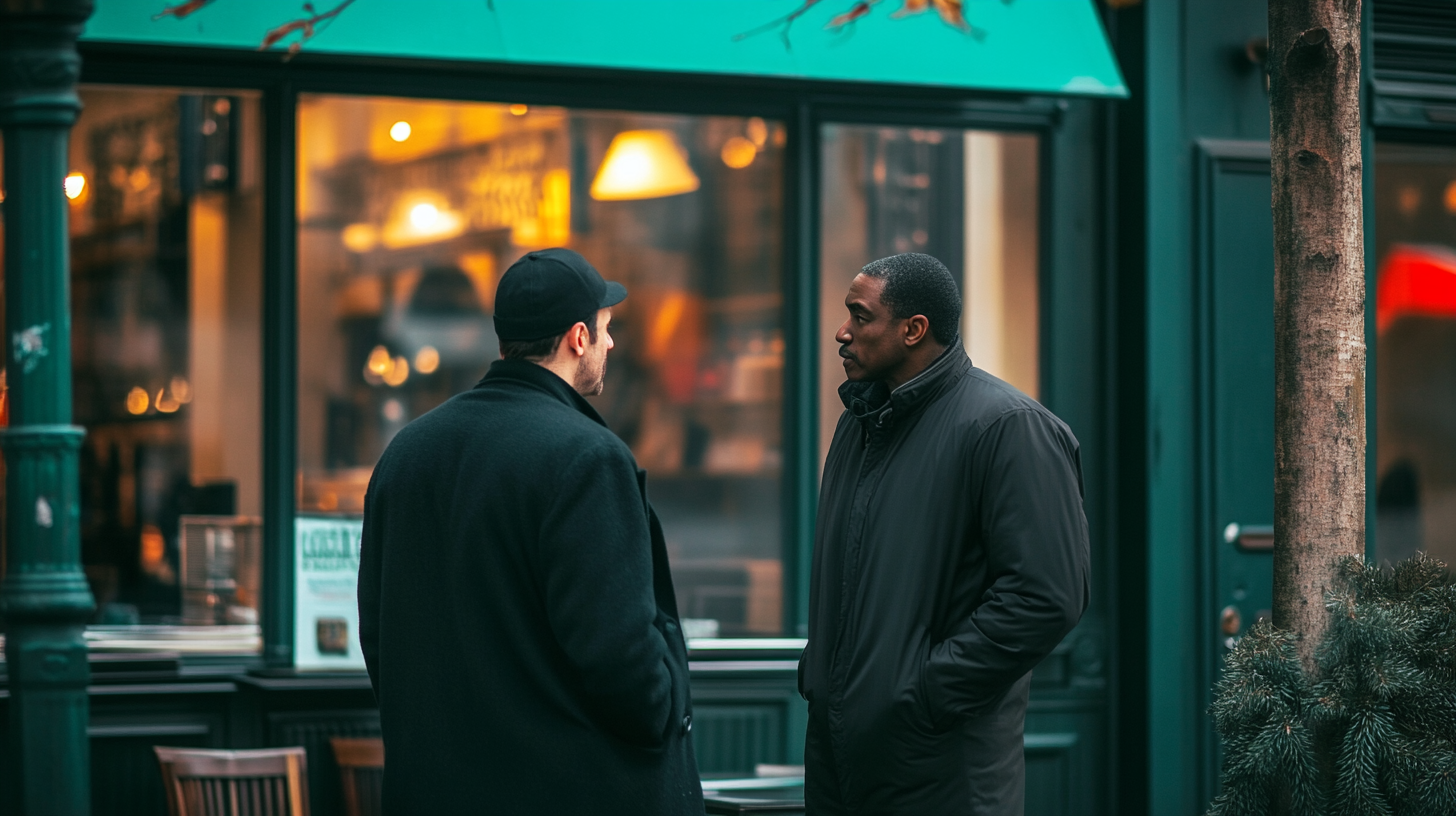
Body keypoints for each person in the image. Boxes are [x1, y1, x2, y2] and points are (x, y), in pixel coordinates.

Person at [358, 248, 703, 815]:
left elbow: (379, 629)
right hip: (568, 792)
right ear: (577, 338)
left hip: (433, 790)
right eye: (606, 329)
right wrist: (662, 705)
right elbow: (619, 658)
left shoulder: (407, 453)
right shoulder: (589, 457)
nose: (611, 344)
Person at [800, 253, 1090, 816]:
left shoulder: (1009, 427)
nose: (842, 332)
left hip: (942, 769)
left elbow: (1045, 597)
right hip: (841, 762)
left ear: (913, 330)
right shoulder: (859, 425)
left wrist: (923, 693)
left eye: (860, 317)